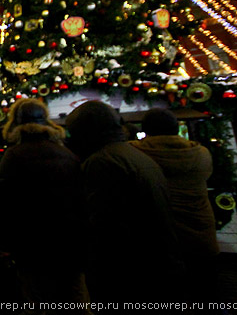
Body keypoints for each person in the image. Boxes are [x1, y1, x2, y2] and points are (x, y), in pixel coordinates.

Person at [65, 100, 185, 302]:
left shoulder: (102, 162)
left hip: (129, 274)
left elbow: (104, 226)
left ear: (86, 132)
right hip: (158, 265)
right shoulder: (135, 156)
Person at [0, 98, 89, 308]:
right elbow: (81, 201)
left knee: (37, 301)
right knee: (75, 299)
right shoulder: (67, 154)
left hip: (31, 246)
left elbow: (7, 205)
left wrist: (8, 243)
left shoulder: (13, 156)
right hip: (70, 243)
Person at [133, 108, 219, 299]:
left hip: (162, 240)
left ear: (145, 129)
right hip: (202, 236)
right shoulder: (202, 153)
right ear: (176, 127)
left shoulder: (136, 153)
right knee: (207, 294)